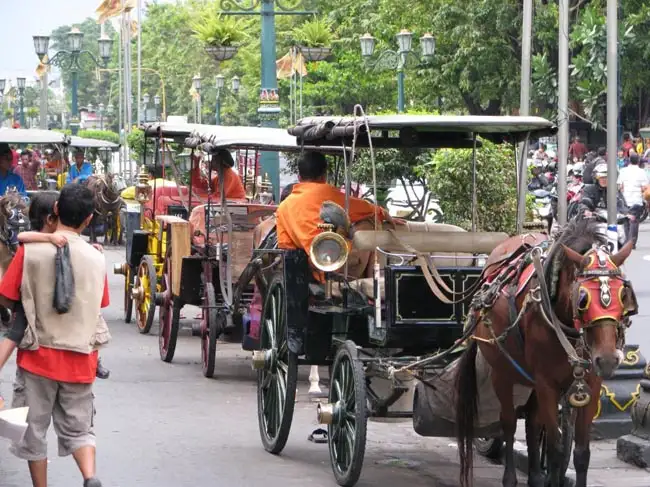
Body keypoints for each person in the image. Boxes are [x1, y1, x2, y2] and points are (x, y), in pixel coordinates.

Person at [0, 184, 109, 487]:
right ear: (88, 219)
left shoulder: (30, 250)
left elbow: (6, 297)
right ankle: (89, 477)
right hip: (81, 361)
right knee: (80, 429)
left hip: (37, 360)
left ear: (56, 210)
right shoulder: (97, 258)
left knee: (32, 431)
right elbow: (98, 304)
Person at [276, 152, 394, 276]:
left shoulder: (283, 207)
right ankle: (374, 282)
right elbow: (367, 209)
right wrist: (383, 214)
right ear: (324, 176)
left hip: (307, 269)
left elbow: (285, 245)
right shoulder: (329, 194)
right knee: (371, 223)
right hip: (338, 262)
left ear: (299, 177)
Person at [618, 153, 649, 248]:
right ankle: (632, 243)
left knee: (626, 220)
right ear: (638, 161)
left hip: (625, 199)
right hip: (637, 200)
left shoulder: (623, 171)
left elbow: (620, 186)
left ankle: (627, 241)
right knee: (634, 221)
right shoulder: (642, 172)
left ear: (629, 160)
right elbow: (644, 187)